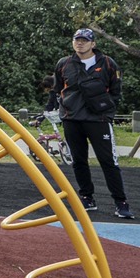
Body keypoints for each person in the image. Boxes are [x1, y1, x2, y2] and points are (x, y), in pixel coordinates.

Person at [49, 28, 134, 219]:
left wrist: (107, 111)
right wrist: (59, 111)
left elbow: (116, 90)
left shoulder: (108, 64)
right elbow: (57, 89)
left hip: (99, 120)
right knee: (78, 161)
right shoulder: (64, 64)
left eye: (84, 40)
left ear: (93, 44)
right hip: (72, 119)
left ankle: (121, 202)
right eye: (77, 40)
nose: (80, 43)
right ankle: (87, 197)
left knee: (108, 162)